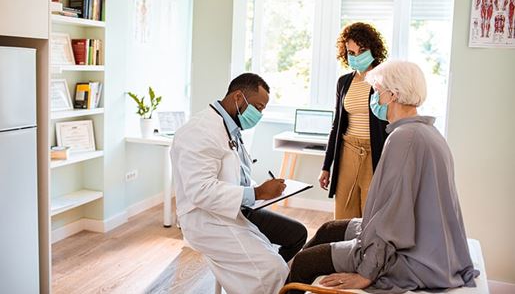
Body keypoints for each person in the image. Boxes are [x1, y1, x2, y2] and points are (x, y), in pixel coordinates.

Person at [286, 60, 479, 293]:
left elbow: (392, 218)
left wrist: (367, 272)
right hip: (426, 242)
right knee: (328, 228)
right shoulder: (426, 131)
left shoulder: (404, 139)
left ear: (392, 95)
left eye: (377, 92)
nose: (374, 99)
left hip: (415, 256)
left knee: (307, 262)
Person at [172, 73, 308, 294]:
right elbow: (200, 191)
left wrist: (261, 190)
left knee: (294, 238)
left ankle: (265, 281)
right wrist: (257, 192)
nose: (259, 115)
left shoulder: (230, 127)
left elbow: (236, 175)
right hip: (205, 218)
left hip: (235, 209)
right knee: (271, 269)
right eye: (258, 107)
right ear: (238, 97)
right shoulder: (199, 131)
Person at [319, 22, 389, 219]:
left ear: (373, 49)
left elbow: (391, 123)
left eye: (362, 50)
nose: (357, 57)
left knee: (371, 213)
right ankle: (344, 250)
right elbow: (336, 126)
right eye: (352, 52)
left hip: (374, 153)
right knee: (343, 212)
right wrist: (326, 166)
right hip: (347, 151)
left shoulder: (385, 80)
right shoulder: (344, 82)